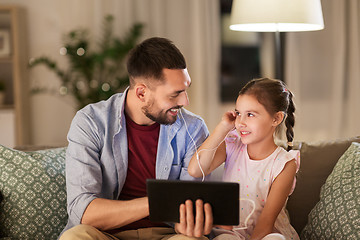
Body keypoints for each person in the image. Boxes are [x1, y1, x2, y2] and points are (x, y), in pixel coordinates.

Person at [59, 37, 213, 240]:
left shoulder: (193, 128)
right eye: (175, 94)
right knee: (74, 238)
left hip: (167, 235)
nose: (185, 101)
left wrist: (192, 222)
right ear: (141, 92)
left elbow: (192, 206)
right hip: (106, 235)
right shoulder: (91, 122)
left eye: (186, 89)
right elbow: (83, 211)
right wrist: (158, 201)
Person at [188, 78, 300, 240]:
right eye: (238, 113)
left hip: (266, 234)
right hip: (231, 234)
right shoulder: (232, 144)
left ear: (276, 119)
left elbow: (265, 224)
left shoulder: (285, 164)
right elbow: (195, 170)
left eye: (250, 114)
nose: (241, 122)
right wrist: (223, 127)